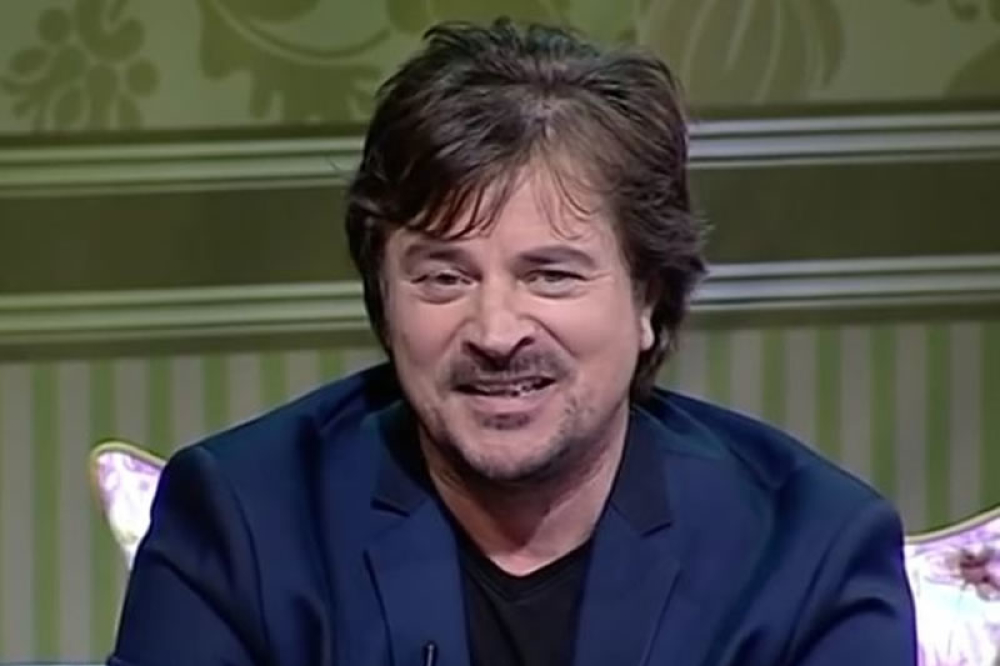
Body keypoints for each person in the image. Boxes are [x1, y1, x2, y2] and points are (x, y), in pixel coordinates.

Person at [108, 18, 917, 666]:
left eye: (551, 276)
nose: (496, 332)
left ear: (646, 297)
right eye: (443, 277)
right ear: (384, 301)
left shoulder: (806, 554)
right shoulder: (244, 525)